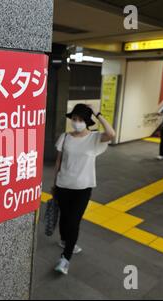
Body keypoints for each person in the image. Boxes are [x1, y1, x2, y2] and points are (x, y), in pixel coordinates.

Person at [52, 103, 115, 275]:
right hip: (63, 184)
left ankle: (65, 259)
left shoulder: (94, 138)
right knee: (65, 219)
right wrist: (54, 183)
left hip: (83, 188)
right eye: (74, 119)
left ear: (87, 121)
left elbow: (111, 133)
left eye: (80, 119)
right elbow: (59, 161)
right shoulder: (65, 137)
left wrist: (97, 113)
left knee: (74, 221)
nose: (76, 122)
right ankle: (66, 241)